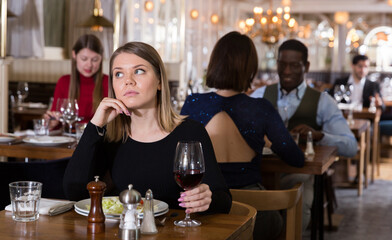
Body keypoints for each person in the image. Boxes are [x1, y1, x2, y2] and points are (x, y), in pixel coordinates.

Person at [63, 42, 232, 215]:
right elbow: (74, 192)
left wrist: (206, 199)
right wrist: (94, 125)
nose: (128, 80)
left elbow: (223, 201)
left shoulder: (190, 132)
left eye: (139, 71)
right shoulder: (110, 137)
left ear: (159, 81)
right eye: (119, 74)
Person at [181, 31, 305, 239]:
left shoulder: (193, 103)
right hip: (255, 209)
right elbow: (296, 158)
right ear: (250, 68)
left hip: (206, 208)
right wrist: (268, 141)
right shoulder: (260, 108)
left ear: (215, 63)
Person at [251, 39, 358, 230]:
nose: (287, 71)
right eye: (282, 65)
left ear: (306, 66)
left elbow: (351, 147)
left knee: (300, 205)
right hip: (261, 173)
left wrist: (320, 136)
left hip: (298, 173)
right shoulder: (259, 95)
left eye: (294, 65)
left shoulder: (323, 102)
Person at [44, 34, 109, 127]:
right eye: (84, 59)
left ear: (101, 57)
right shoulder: (64, 82)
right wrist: (51, 122)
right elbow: (56, 120)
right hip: (69, 138)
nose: (89, 65)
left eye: (95, 60)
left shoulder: (108, 82)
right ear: (74, 55)